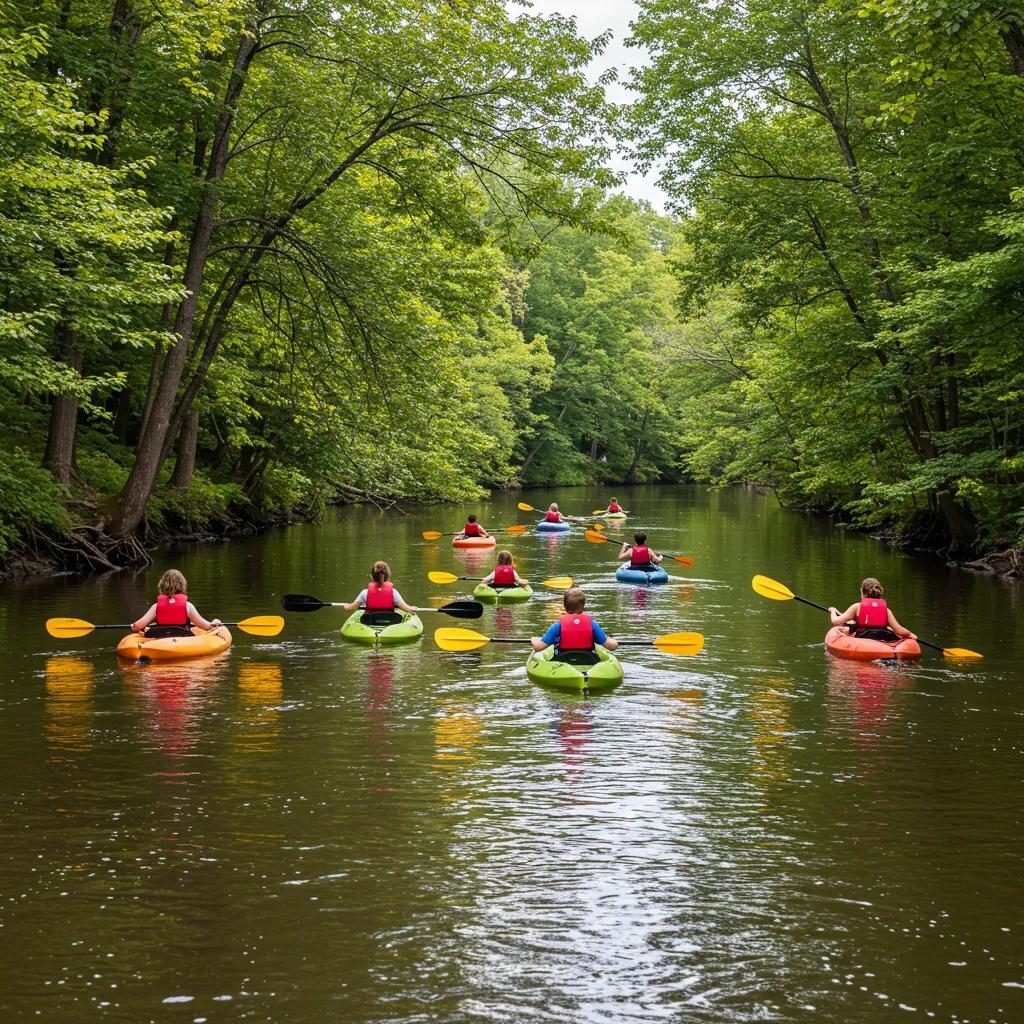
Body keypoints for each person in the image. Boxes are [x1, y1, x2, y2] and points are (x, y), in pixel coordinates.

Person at [531, 587, 618, 664]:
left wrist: (534, 640)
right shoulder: (592, 624)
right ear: (583, 605)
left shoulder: (557, 625)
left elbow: (538, 647)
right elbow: (612, 646)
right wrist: (613, 640)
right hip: (588, 660)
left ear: (565, 606)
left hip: (563, 661)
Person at [131, 569, 221, 637]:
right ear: (182, 585)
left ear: (162, 585)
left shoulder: (156, 606)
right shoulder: (187, 606)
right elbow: (206, 626)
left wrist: (133, 626)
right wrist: (215, 622)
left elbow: (137, 626)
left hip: (160, 639)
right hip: (182, 637)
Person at [829, 578, 916, 642]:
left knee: (848, 628)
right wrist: (910, 634)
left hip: (863, 638)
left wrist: (833, 611)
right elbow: (899, 630)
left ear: (863, 593)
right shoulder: (886, 610)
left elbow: (836, 622)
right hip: (884, 637)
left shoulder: (857, 607)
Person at [343, 560, 418, 621]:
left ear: (372, 576)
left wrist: (346, 605)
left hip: (370, 621)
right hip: (389, 621)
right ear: (387, 575)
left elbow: (351, 608)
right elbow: (408, 609)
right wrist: (413, 608)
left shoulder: (364, 593)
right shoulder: (393, 592)